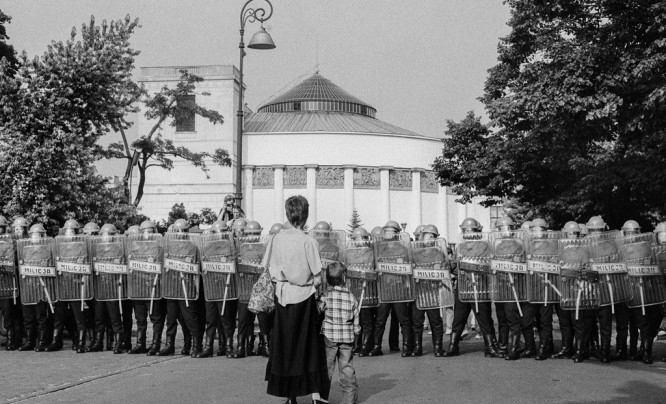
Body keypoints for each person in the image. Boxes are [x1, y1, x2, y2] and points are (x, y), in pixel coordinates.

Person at [263, 195, 330, 404]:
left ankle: (290, 395)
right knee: (308, 347)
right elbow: (318, 277)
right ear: (305, 216)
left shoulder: (275, 239)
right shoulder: (309, 241)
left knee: (285, 346)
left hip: (282, 296)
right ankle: (314, 394)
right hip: (305, 296)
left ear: (288, 213)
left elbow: (268, 268)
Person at [318, 261, 360, 404]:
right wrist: (356, 329)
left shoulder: (325, 296)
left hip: (329, 336)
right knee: (347, 368)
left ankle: (322, 398)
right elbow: (356, 316)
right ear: (344, 278)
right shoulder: (351, 297)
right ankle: (349, 400)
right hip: (347, 338)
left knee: (327, 369)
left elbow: (318, 311)